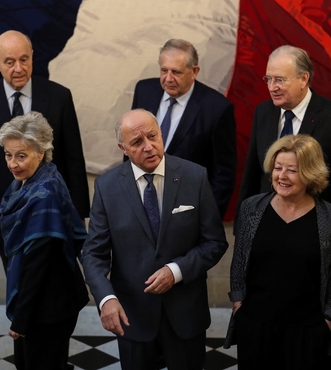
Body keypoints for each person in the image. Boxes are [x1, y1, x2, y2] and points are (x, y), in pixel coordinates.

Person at [82, 109, 228, 369]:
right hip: (133, 315)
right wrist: (106, 299)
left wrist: (176, 270)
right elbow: (94, 254)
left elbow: (215, 242)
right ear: (123, 148)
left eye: (152, 136)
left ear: (161, 134)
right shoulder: (107, 187)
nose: (148, 147)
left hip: (185, 313)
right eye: (137, 142)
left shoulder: (195, 177)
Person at [0, 30, 89, 266]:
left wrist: (79, 215)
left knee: (52, 285)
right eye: (9, 62)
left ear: (32, 57)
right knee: (18, 286)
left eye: (24, 59)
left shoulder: (59, 97)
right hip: (4, 217)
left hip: (54, 214)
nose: (18, 68)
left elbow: (74, 159)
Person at [225, 134, 331, 369]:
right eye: (277, 167)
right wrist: (238, 305)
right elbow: (239, 260)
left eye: (291, 170)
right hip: (256, 326)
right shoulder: (251, 208)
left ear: (310, 173)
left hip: (308, 331)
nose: (281, 176)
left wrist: (328, 321)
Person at [237, 45, 331, 248]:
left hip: (315, 233)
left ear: (303, 79)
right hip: (264, 227)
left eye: (280, 80)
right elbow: (252, 173)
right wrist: (241, 228)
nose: (271, 87)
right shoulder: (263, 112)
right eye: (268, 79)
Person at [0, 111, 89, 370]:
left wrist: (20, 321)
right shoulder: (37, 179)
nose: (13, 164)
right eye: (8, 154)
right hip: (47, 303)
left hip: (49, 308)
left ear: (41, 152)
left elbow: (37, 267)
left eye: (21, 155)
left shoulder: (43, 194)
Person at [131, 38, 237, 218]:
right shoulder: (144, 91)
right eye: (164, 70)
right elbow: (131, 145)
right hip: (140, 203)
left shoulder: (216, 108)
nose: (168, 78)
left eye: (176, 72)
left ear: (194, 71)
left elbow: (223, 173)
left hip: (187, 211)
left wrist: (209, 219)